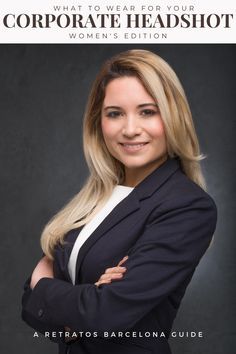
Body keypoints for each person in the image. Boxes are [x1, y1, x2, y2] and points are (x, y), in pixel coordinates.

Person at [21, 49, 217, 354]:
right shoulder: (94, 199)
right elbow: (29, 305)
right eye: (115, 113)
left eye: (147, 111)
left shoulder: (188, 206)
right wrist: (83, 304)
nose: (129, 129)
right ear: (99, 121)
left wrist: (44, 285)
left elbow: (103, 314)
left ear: (172, 116)